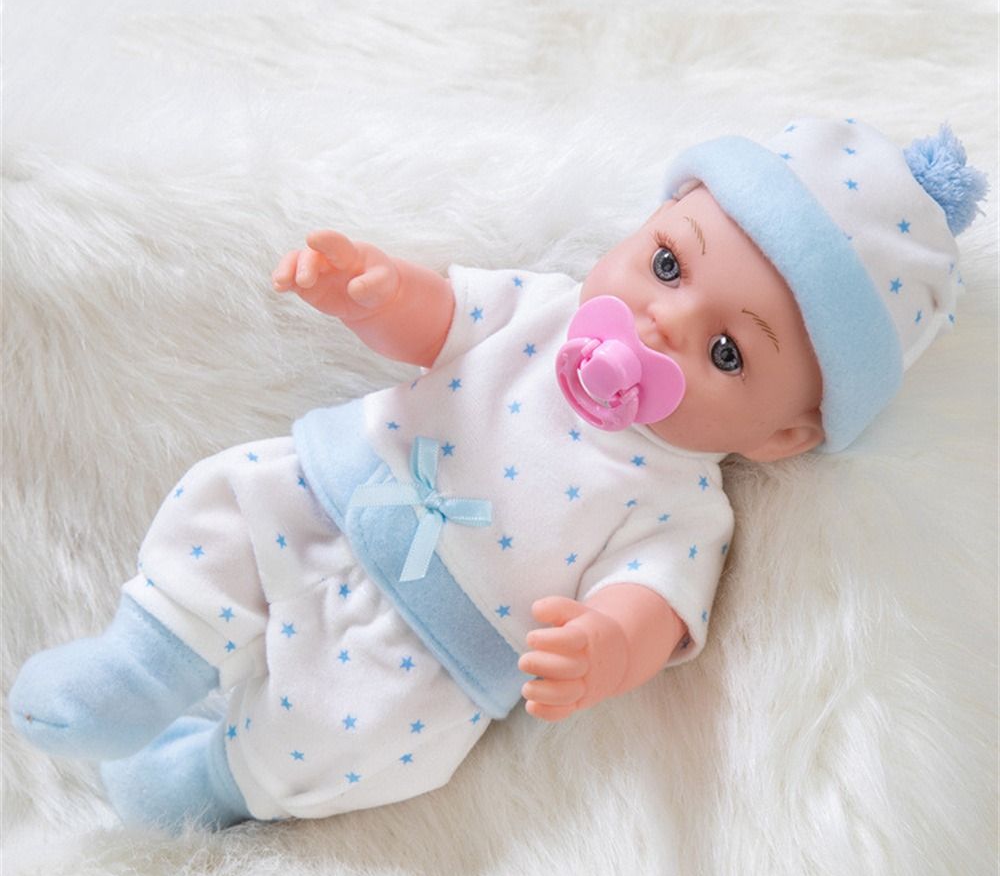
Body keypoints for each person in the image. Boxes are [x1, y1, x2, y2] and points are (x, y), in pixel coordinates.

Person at [9, 118, 985, 831]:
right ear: (647, 222)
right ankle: (145, 662)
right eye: (666, 265)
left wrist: (605, 647)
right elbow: (438, 319)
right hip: (338, 491)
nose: (661, 322)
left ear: (780, 436)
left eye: (726, 353)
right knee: (225, 508)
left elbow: (650, 605)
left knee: (349, 743)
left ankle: (208, 782)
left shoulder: (684, 507)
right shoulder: (543, 309)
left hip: (432, 651)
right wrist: (373, 294)